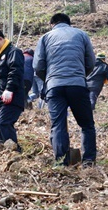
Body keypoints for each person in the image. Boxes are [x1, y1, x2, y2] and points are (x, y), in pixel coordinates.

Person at [33, 13, 97, 166]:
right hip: (77, 85)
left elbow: (38, 66)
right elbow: (91, 62)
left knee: (58, 125)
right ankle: (88, 161)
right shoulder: (82, 35)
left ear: (52, 24)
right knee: (87, 124)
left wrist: (48, 79)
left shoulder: (45, 37)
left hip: (55, 87)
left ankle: (62, 163)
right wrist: (80, 75)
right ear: (69, 23)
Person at [0, 30, 24, 148]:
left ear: (0, 39)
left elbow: (15, 72)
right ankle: (3, 152)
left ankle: (14, 152)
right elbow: (0, 76)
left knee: (4, 123)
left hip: (11, 96)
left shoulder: (13, 52)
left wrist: (10, 89)